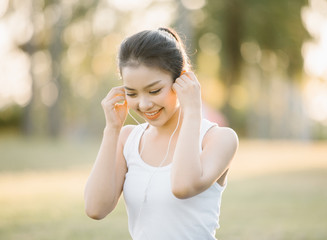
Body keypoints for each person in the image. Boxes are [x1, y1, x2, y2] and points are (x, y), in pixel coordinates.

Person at [84, 27, 239, 240]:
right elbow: (95, 208)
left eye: (154, 90)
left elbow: (183, 186)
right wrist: (112, 129)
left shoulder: (219, 139)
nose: (144, 104)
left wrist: (193, 110)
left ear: (182, 80)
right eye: (132, 93)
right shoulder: (127, 139)